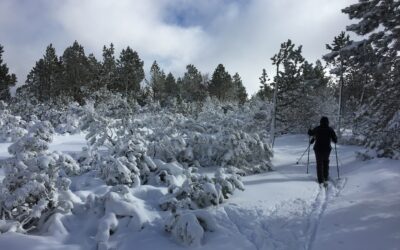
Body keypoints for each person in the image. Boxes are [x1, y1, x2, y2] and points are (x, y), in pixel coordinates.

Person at [308, 116, 337, 187]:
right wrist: (334, 138)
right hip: (327, 149)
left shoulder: (317, 128)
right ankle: (325, 177)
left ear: (320, 122)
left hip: (318, 149)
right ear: (327, 122)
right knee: (325, 162)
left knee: (319, 163)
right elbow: (335, 140)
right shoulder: (330, 129)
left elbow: (311, 133)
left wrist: (309, 130)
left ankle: (320, 179)